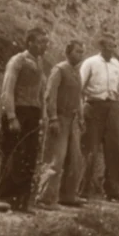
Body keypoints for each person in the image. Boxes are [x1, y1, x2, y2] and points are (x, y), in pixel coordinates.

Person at [0, 27, 49, 213]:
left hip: (33, 114)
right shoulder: (18, 60)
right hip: (18, 111)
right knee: (13, 154)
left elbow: (41, 93)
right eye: (41, 42)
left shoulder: (40, 62)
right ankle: (3, 197)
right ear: (30, 43)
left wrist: (42, 116)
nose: (45, 45)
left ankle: (22, 200)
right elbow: (7, 90)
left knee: (29, 157)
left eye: (46, 42)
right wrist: (11, 116)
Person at [34, 39, 86, 209]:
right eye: (78, 51)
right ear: (68, 52)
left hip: (72, 121)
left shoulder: (76, 72)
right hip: (60, 119)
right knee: (55, 159)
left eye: (82, 51)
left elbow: (78, 97)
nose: (81, 54)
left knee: (75, 159)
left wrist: (80, 117)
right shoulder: (59, 70)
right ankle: (45, 198)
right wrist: (53, 118)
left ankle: (68, 195)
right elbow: (50, 96)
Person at [78, 32, 119, 202]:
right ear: (101, 47)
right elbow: (79, 86)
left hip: (113, 108)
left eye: (114, 46)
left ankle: (113, 191)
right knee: (90, 150)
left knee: (114, 150)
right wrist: (80, 110)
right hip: (94, 107)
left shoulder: (116, 64)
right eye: (109, 46)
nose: (112, 49)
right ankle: (82, 191)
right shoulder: (90, 63)